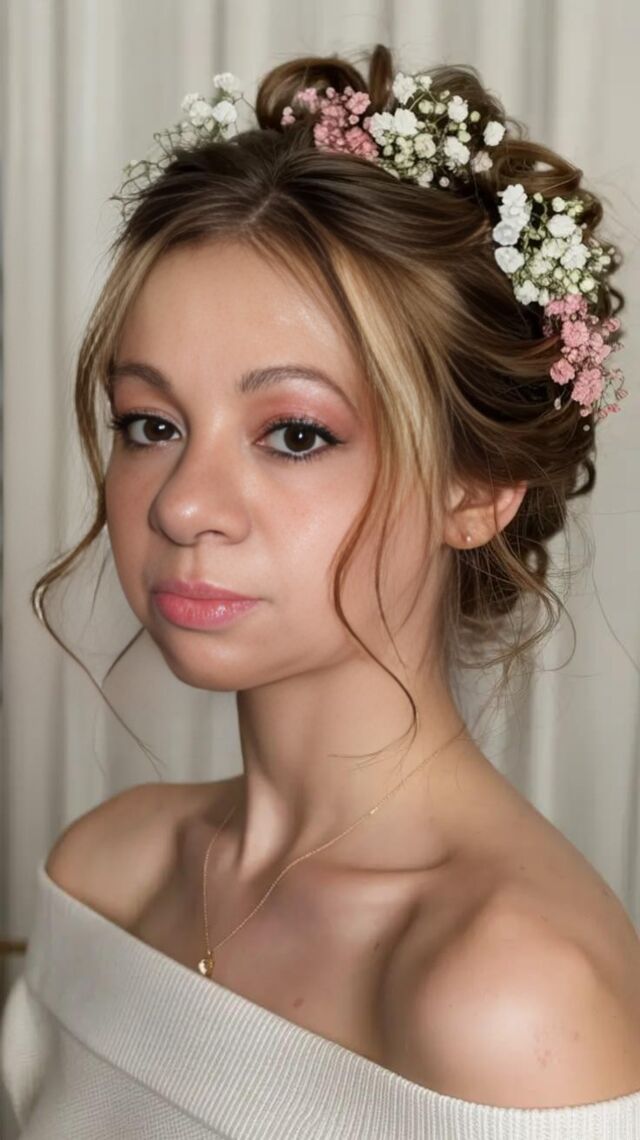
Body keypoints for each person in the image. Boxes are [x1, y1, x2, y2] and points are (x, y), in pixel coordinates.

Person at [2, 41, 639, 1140]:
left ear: (477, 489)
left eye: (295, 434)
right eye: (151, 424)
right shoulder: (100, 873)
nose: (182, 506)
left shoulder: (513, 1003)